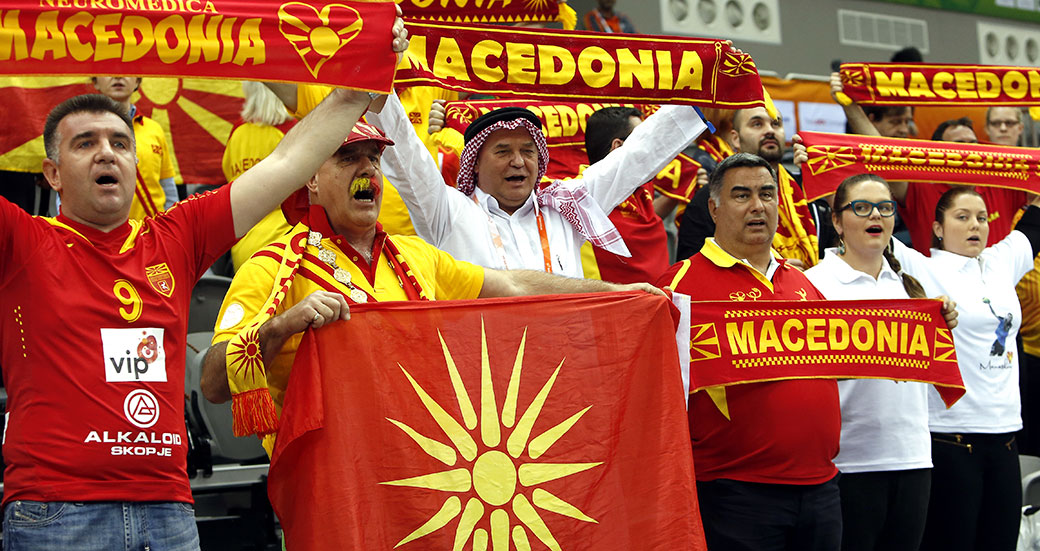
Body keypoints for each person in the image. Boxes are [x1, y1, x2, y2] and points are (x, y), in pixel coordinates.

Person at [0, 16, 410, 551]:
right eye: (84, 143)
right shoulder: (21, 241)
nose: (106, 152)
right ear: (52, 174)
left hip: (169, 514)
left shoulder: (176, 237)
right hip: (58, 513)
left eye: (121, 142)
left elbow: (289, 161)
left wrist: (356, 88)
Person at [200, 121, 663, 454]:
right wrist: (282, 326)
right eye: (348, 158)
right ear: (311, 181)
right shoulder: (272, 268)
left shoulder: (416, 256)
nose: (368, 170)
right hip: (328, 484)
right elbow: (214, 383)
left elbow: (513, 283)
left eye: (374, 159)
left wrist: (614, 293)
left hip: (421, 476)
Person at [657, 153, 841, 551]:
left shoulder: (802, 282)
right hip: (734, 494)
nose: (758, 206)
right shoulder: (677, 286)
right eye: (742, 195)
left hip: (822, 487)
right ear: (714, 208)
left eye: (767, 194)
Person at [363, 91, 710, 277]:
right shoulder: (448, 212)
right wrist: (375, 76)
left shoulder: (566, 207)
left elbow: (635, 156)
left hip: (565, 369)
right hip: (482, 376)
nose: (518, 161)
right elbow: (406, 153)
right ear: (475, 163)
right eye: (503, 151)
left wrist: (704, 94)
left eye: (528, 151)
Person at [891, 187, 1040, 551]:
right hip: (951, 438)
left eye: (981, 218)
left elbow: (1036, 220)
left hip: (1006, 437)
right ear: (938, 228)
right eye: (962, 217)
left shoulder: (1001, 261)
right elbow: (868, 228)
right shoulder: (921, 267)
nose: (975, 225)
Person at [804, 174, 939, 551]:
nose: (875, 215)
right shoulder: (812, 286)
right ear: (836, 221)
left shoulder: (912, 286)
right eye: (861, 208)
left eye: (884, 207)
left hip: (913, 458)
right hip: (847, 463)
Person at [832, 73, 1026, 254]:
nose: (969, 151)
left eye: (973, 144)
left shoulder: (1001, 186)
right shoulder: (919, 190)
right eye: (959, 145)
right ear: (938, 157)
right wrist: (850, 107)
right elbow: (881, 153)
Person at [676, 106, 823, 266]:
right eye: (757, 124)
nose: (770, 131)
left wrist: (812, 273)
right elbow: (692, 267)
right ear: (735, 138)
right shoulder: (712, 196)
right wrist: (769, 270)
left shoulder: (806, 191)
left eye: (776, 124)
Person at [580, 106, 670, 283]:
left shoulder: (640, 189)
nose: (651, 149)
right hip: (609, 298)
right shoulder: (580, 198)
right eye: (644, 140)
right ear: (618, 147)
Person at [221, 81, 295, 272]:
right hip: (285, 248)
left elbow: (228, 176)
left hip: (242, 247)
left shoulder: (237, 132)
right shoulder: (295, 132)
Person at [92, 76, 178, 218]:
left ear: (137, 81)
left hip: (152, 227)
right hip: (104, 228)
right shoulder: (84, 131)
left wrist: (171, 222)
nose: (118, 76)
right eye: (109, 70)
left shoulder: (154, 129)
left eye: (126, 70)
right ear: (95, 81)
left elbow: (167, 186)